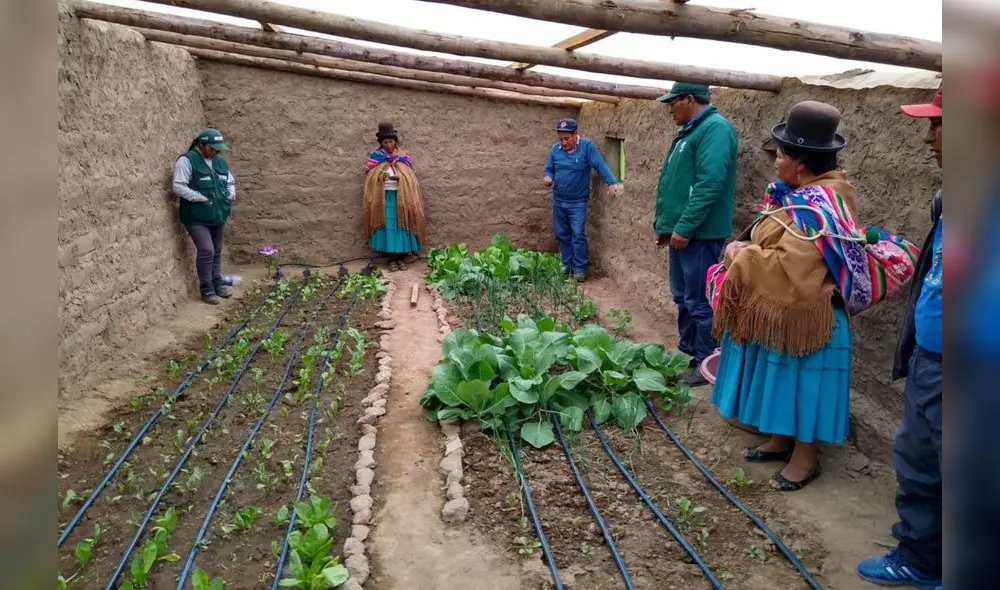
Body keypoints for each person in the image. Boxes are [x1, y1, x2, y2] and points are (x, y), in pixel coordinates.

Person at [710, 101, 864, 492]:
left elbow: (796, 268)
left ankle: (805, 457)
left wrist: (739, 256)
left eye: (780, 155)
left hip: (809, 316)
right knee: (780, 378)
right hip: (786, 309)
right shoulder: (801, 195)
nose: (775, 162)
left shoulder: (820, 204)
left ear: (800, 163)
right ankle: (782, 440)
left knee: (802, 384)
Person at [857, 85, 943, 590]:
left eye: (939, 125)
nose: (929, 138)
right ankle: (921, 559)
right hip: (930, 359)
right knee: (918, 464)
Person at [653, 82, 738, 386]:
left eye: (673, 103)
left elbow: (709, 184)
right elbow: (676, 184)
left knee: (699, 300)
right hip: (683, 233)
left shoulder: (715, 129)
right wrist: (667, 227)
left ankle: (707, 360)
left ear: (689, 99)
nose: (670, 108)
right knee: (682, 296)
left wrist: (685, 227)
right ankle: (688, 352)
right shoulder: (691, 131)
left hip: (699, 234)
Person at [543, 118, 621, 281]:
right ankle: (567, 265)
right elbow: (549, 169)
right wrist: (548, 177)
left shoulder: (587, 147)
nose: (563, 143)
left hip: (577, 202)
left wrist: (612, 182)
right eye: (560, 139)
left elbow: (600, 165)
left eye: (566, 139)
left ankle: (580, 269)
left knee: (577, 233)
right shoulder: (555, 150)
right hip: (559, 200)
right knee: (562, 233)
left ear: (575, 134)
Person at [172, 128, 236, 305]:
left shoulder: (220, 162)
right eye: (213, 148)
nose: (216, 151)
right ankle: (206, 288)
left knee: (217, 249)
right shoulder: (187, 160)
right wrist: (197, 197)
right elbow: (178, 186)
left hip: (218, 213)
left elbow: (230, 181)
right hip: (196, 215)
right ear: (202, 144)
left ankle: (217, 282)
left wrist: (231, 193)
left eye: (218, 149)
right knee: (206, 249)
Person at [363, 122, 425, 271]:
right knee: (388, 226)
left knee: (402, 225)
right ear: (381, 143)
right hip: (384, 199)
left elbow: (411, 179)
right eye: (385, 142)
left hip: (402, 199)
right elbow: (370, 178)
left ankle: (401, 257)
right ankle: (391, 259)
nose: (388, 144)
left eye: (391, 141)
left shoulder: (403, 158)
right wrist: (379, 178)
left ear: (395, 142)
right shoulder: (376, 158)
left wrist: (401, 179)